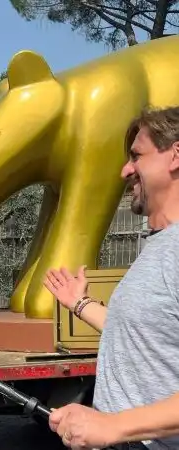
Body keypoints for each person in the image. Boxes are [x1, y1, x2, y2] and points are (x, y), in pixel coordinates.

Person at [43, 106, 179, 450]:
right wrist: (80, 303)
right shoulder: (160, 244)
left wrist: (114, 426)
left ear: (176, 155)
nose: (125, 170)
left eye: (137, 156)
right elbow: (144, 332)